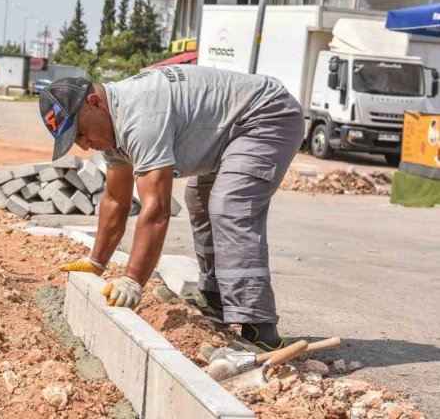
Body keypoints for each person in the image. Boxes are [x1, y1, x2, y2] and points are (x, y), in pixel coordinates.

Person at [44, 65, 305, 350]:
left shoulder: (140, 117)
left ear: (95, 103)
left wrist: (133, 280)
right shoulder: (110, 128)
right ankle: (216, 298)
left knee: (230, 206)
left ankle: (260, 330)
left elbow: (156, 209)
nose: (83, 146)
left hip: (267, 115)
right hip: (234, 127)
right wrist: (96, 262)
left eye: (80, 133)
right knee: (200, 197)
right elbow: (116, 200)